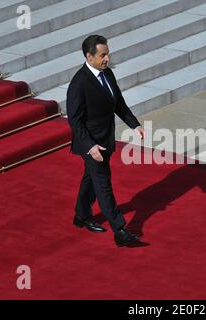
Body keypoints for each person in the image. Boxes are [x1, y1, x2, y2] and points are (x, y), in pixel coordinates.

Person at [67, 35, 144, 247]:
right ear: (88, 56)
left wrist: (134, 124)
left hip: (106, 138)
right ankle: (120, 230)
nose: (107, 58)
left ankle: (81, 214)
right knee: (103, 183)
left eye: (107, 54)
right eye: (102, 55)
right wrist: (90, 146)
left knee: (91, 178)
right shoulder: (79, 83)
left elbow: (118, 103)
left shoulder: (107, 74)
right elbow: (74, 120)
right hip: (91, 143)